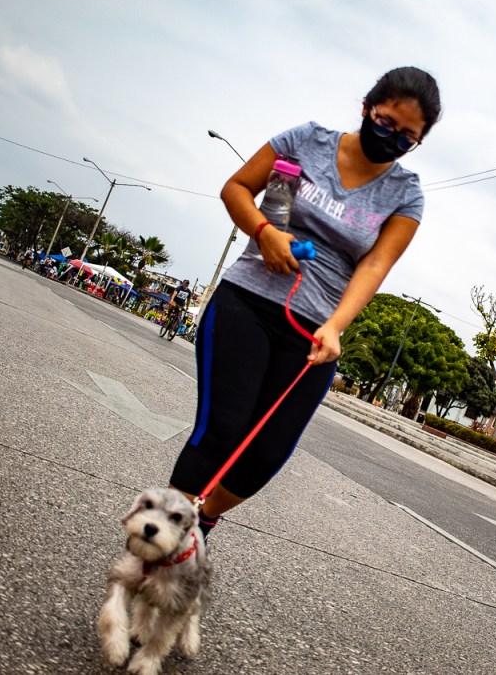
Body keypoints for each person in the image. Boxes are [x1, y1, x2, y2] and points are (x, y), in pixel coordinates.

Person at [169, 66, 441, 540]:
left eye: (406, 137)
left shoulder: (406, 194)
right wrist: (265, 232)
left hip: (314, 332)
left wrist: (336, 326)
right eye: (385, 123)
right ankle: (163, 541)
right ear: (366, 108)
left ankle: (203, 518)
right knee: (222, 430)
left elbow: (374, 266)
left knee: (265, 454)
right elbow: (236, 189)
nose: (391, 138)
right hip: (247, 301)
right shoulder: (306, 141)